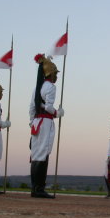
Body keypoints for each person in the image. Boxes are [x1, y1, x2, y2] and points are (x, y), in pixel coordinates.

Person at [29, 54, 64, 198]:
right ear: (51, 73)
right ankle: (39, 188)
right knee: (43, 154)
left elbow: (31, 108)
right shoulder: (51, 87)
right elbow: (49, 107)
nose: (56, 76)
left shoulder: (37, 87)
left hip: (37, 122)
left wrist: (32, 122)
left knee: (36, 154)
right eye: (55, 73)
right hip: (45, 122)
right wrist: (58, 112)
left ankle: (35, 187)